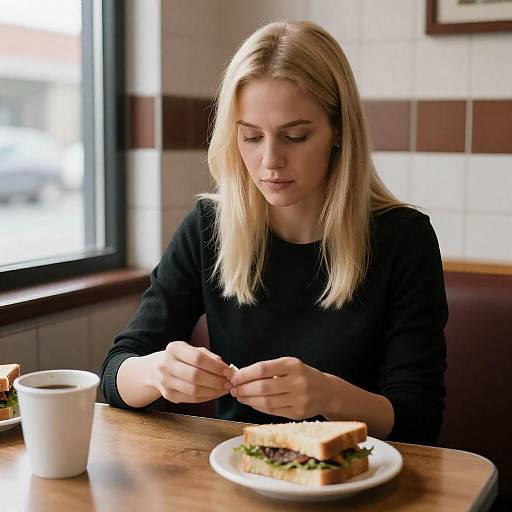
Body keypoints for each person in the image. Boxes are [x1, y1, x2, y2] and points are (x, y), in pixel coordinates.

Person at [100, 20, 447, 445]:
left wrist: (329, 396)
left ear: (339, 130)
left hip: (358, 480)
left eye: (295, 136)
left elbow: (421, 417)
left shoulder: (403, 239)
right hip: (233, 478)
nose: (269, 161)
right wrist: (157, 372)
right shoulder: (208, 228)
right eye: (250, 137)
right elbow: (115, 373)